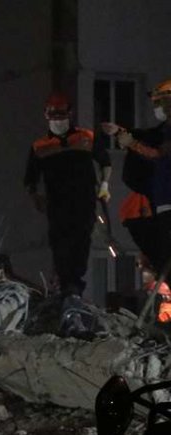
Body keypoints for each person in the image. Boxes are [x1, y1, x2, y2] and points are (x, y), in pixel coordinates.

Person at [24, 92, 111, 320]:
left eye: (61, 114)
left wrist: (104, 185)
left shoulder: (85, 137)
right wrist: (35, 197)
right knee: (61, 244)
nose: (58, 119)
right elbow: (30, 178)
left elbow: (105, 161)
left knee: (81, 242)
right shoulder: (40, 146)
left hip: (84, 202)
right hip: (58, 204)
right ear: (46, 116)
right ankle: (67, 288)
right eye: (53, 115)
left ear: (69, 114)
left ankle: (74, 288)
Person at [103, 78, 171, 273]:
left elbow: (158, 154)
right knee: (158, 245)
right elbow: (147, 138)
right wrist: (121, 134)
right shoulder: (163, 131)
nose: (157, 108)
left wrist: (131, 143)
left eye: (160, 102)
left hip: (166, 199)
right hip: (162, 199)